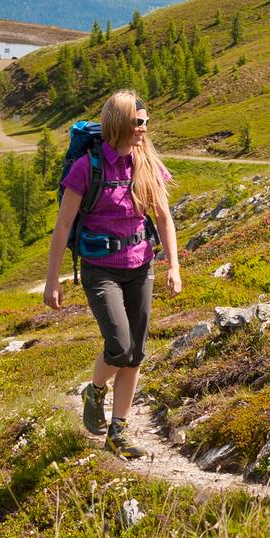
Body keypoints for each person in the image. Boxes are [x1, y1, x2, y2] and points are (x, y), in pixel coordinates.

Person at [43, 89, 182, 460]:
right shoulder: (86, 168)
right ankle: (94, 390)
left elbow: (164, 218)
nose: (144, 129)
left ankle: (118, 431)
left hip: (141, 266)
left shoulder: (146, 163)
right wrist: (52, 279)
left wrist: (174, 266)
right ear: (120, 123)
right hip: (100, 270)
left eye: (147, 122)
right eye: (139, 123)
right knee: (119, 346)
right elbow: (62, 227)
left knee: (135, 354)